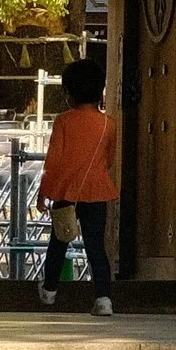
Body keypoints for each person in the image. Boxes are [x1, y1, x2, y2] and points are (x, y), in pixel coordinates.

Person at [36, 53, 118, 316]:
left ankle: (49, 291)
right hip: (96, 190)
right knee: (96, 246)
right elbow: (109, 159)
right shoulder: (109, 124)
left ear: (69, 92)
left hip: (66, 191)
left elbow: (53, 160)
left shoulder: (63, 121)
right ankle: (103, 298)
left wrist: (43, 192)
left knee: (59, 241)